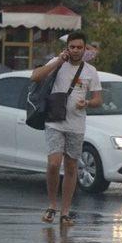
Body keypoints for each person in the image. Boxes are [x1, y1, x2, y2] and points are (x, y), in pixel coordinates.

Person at [32, 31, 102, 226]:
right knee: (54, 163)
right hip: (54, 121)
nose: (76, 50)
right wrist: (57, 62)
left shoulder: (90, 71)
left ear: (85, 49)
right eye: (72, 47)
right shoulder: (57, 62)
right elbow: (35, 77)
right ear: (67, 48)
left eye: (80, 47)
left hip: (76, 125)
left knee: (71, 166)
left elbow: (98, 99)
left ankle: (65, 211)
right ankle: (51, 205)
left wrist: (87, 102)